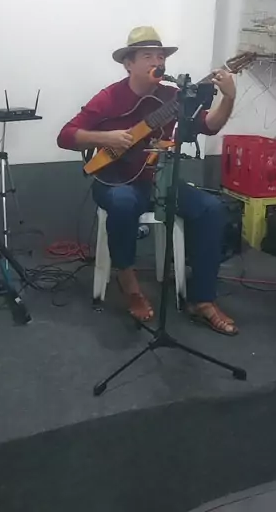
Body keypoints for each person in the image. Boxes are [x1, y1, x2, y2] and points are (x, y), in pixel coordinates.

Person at [57, 27, 238, 335]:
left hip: (158, 178)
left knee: (211, 208)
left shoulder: (173, 95)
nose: (157, 61)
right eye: (148, 56)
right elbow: (65, 136)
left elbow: (209, 125)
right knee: (124, 203)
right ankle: (128, 283)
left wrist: (228, 97)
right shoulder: (109, 97)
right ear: (128, 64)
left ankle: (202, 299)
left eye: (161, 56)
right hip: (115, 180)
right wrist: (106, 137)